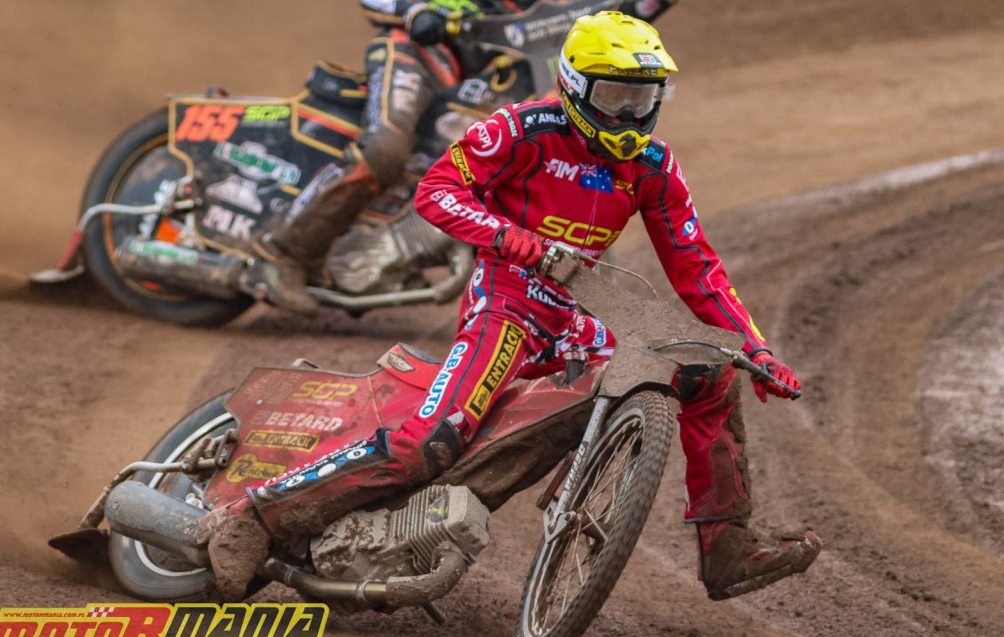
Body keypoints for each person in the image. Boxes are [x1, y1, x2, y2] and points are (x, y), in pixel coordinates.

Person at [199, 9, 822, 604]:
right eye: (615, 97)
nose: (630, 116)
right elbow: (436, 191)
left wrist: (754, 348)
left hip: (580, 316)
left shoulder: (654, 167)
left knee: (710, 372)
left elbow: (697, 268)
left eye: (644, 98)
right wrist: (512, 239)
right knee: (428, 441)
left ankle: (727, 546)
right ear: (575, 86)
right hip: (508, 301)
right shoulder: (522, 129)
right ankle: (255, 516)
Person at [242, 0, 680, 314]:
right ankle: (280, 255)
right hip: (418, 52)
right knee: (385, 149)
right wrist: (416, 10)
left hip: (490, 76)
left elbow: (620, 11)